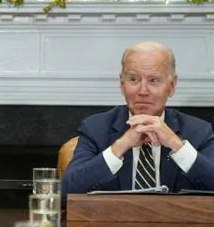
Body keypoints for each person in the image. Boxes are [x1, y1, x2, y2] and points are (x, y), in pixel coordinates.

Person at [62, 41, 214, 196]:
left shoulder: (199, 132)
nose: (142, 91)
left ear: (172, 86)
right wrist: (121, 145)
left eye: (153, 80)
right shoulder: (95, 128)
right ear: (122, 84)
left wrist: (176, 145)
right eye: (134, 79)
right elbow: (66, 194)